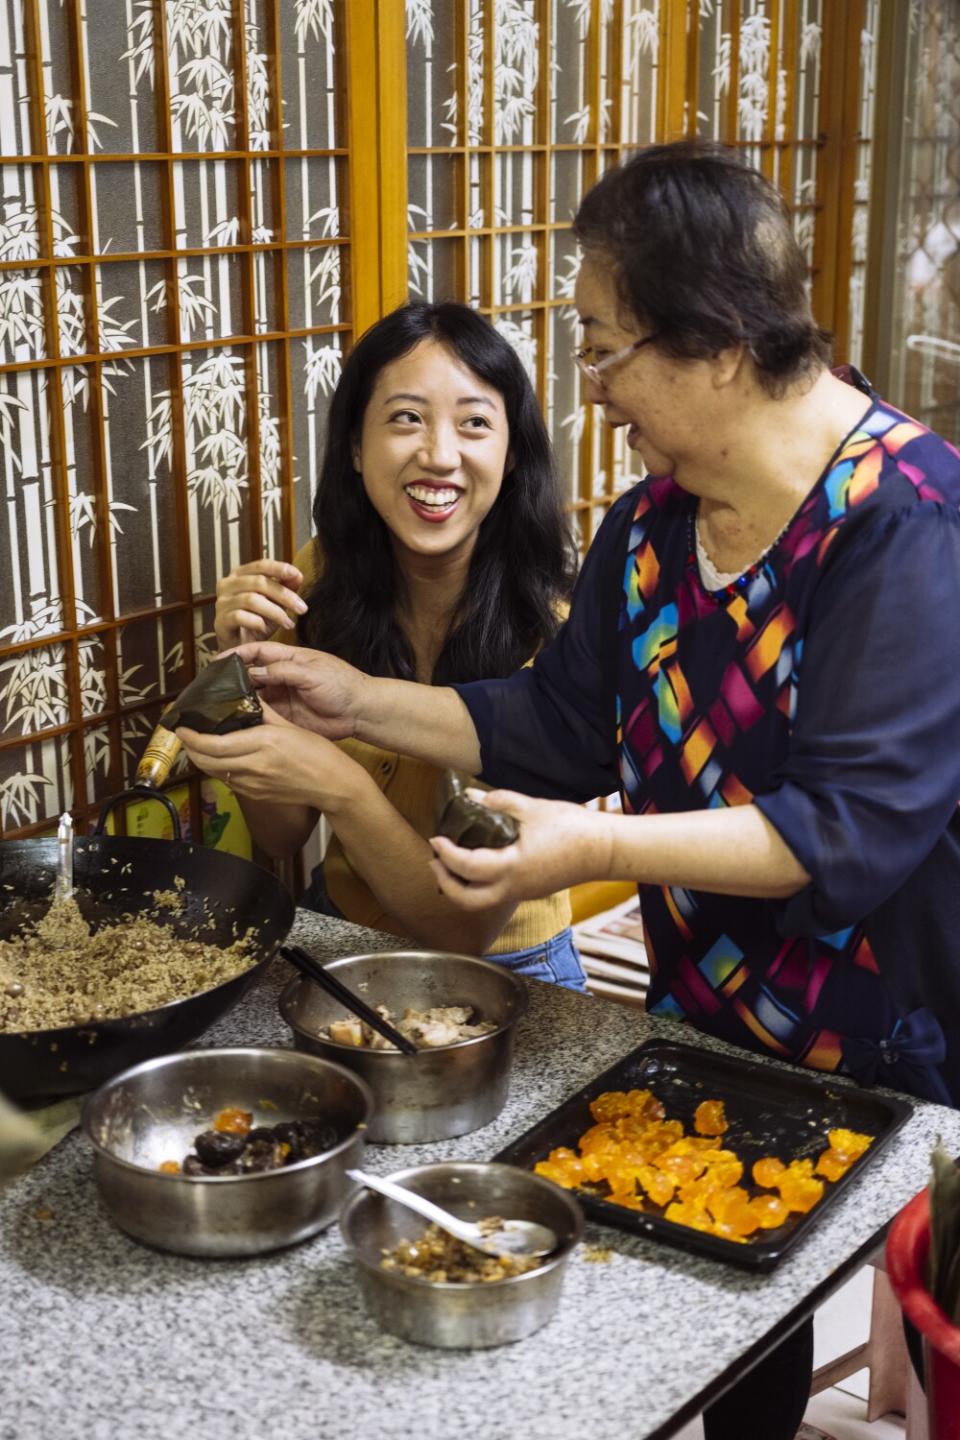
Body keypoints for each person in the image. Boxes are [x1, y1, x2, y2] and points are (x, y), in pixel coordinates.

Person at [212, 142, 960, 1438]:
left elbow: (853, 833)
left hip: (890, 1046)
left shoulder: (905, 521)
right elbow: (557, 725)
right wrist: (352, 697)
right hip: (709, 1015)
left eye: (607, 346)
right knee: (720, 1350)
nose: (593, 385)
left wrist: (574, 853)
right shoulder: (656, 525)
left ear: (717, 343)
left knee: (875, 1321)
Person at [180, 301, 586, 990]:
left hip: (510, 968)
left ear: (512, 454)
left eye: (475, 423)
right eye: (406, 418)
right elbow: (280, 834)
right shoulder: (317, 580)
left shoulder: (554, 629)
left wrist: (343, 788)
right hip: (338, 932)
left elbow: (462, 926)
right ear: (355, 448)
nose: (439, 455)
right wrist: (239, 684)